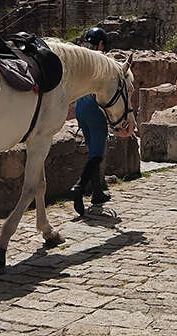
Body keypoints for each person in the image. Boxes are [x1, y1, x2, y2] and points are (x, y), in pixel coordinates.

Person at [71, 27, 112, 216]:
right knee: (97, 153)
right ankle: (79, 187)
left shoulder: (80, 57)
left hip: (80, 108)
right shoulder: (100, 60)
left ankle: (97, 192)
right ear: (101, 44)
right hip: (95, 109)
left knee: (92, 151)